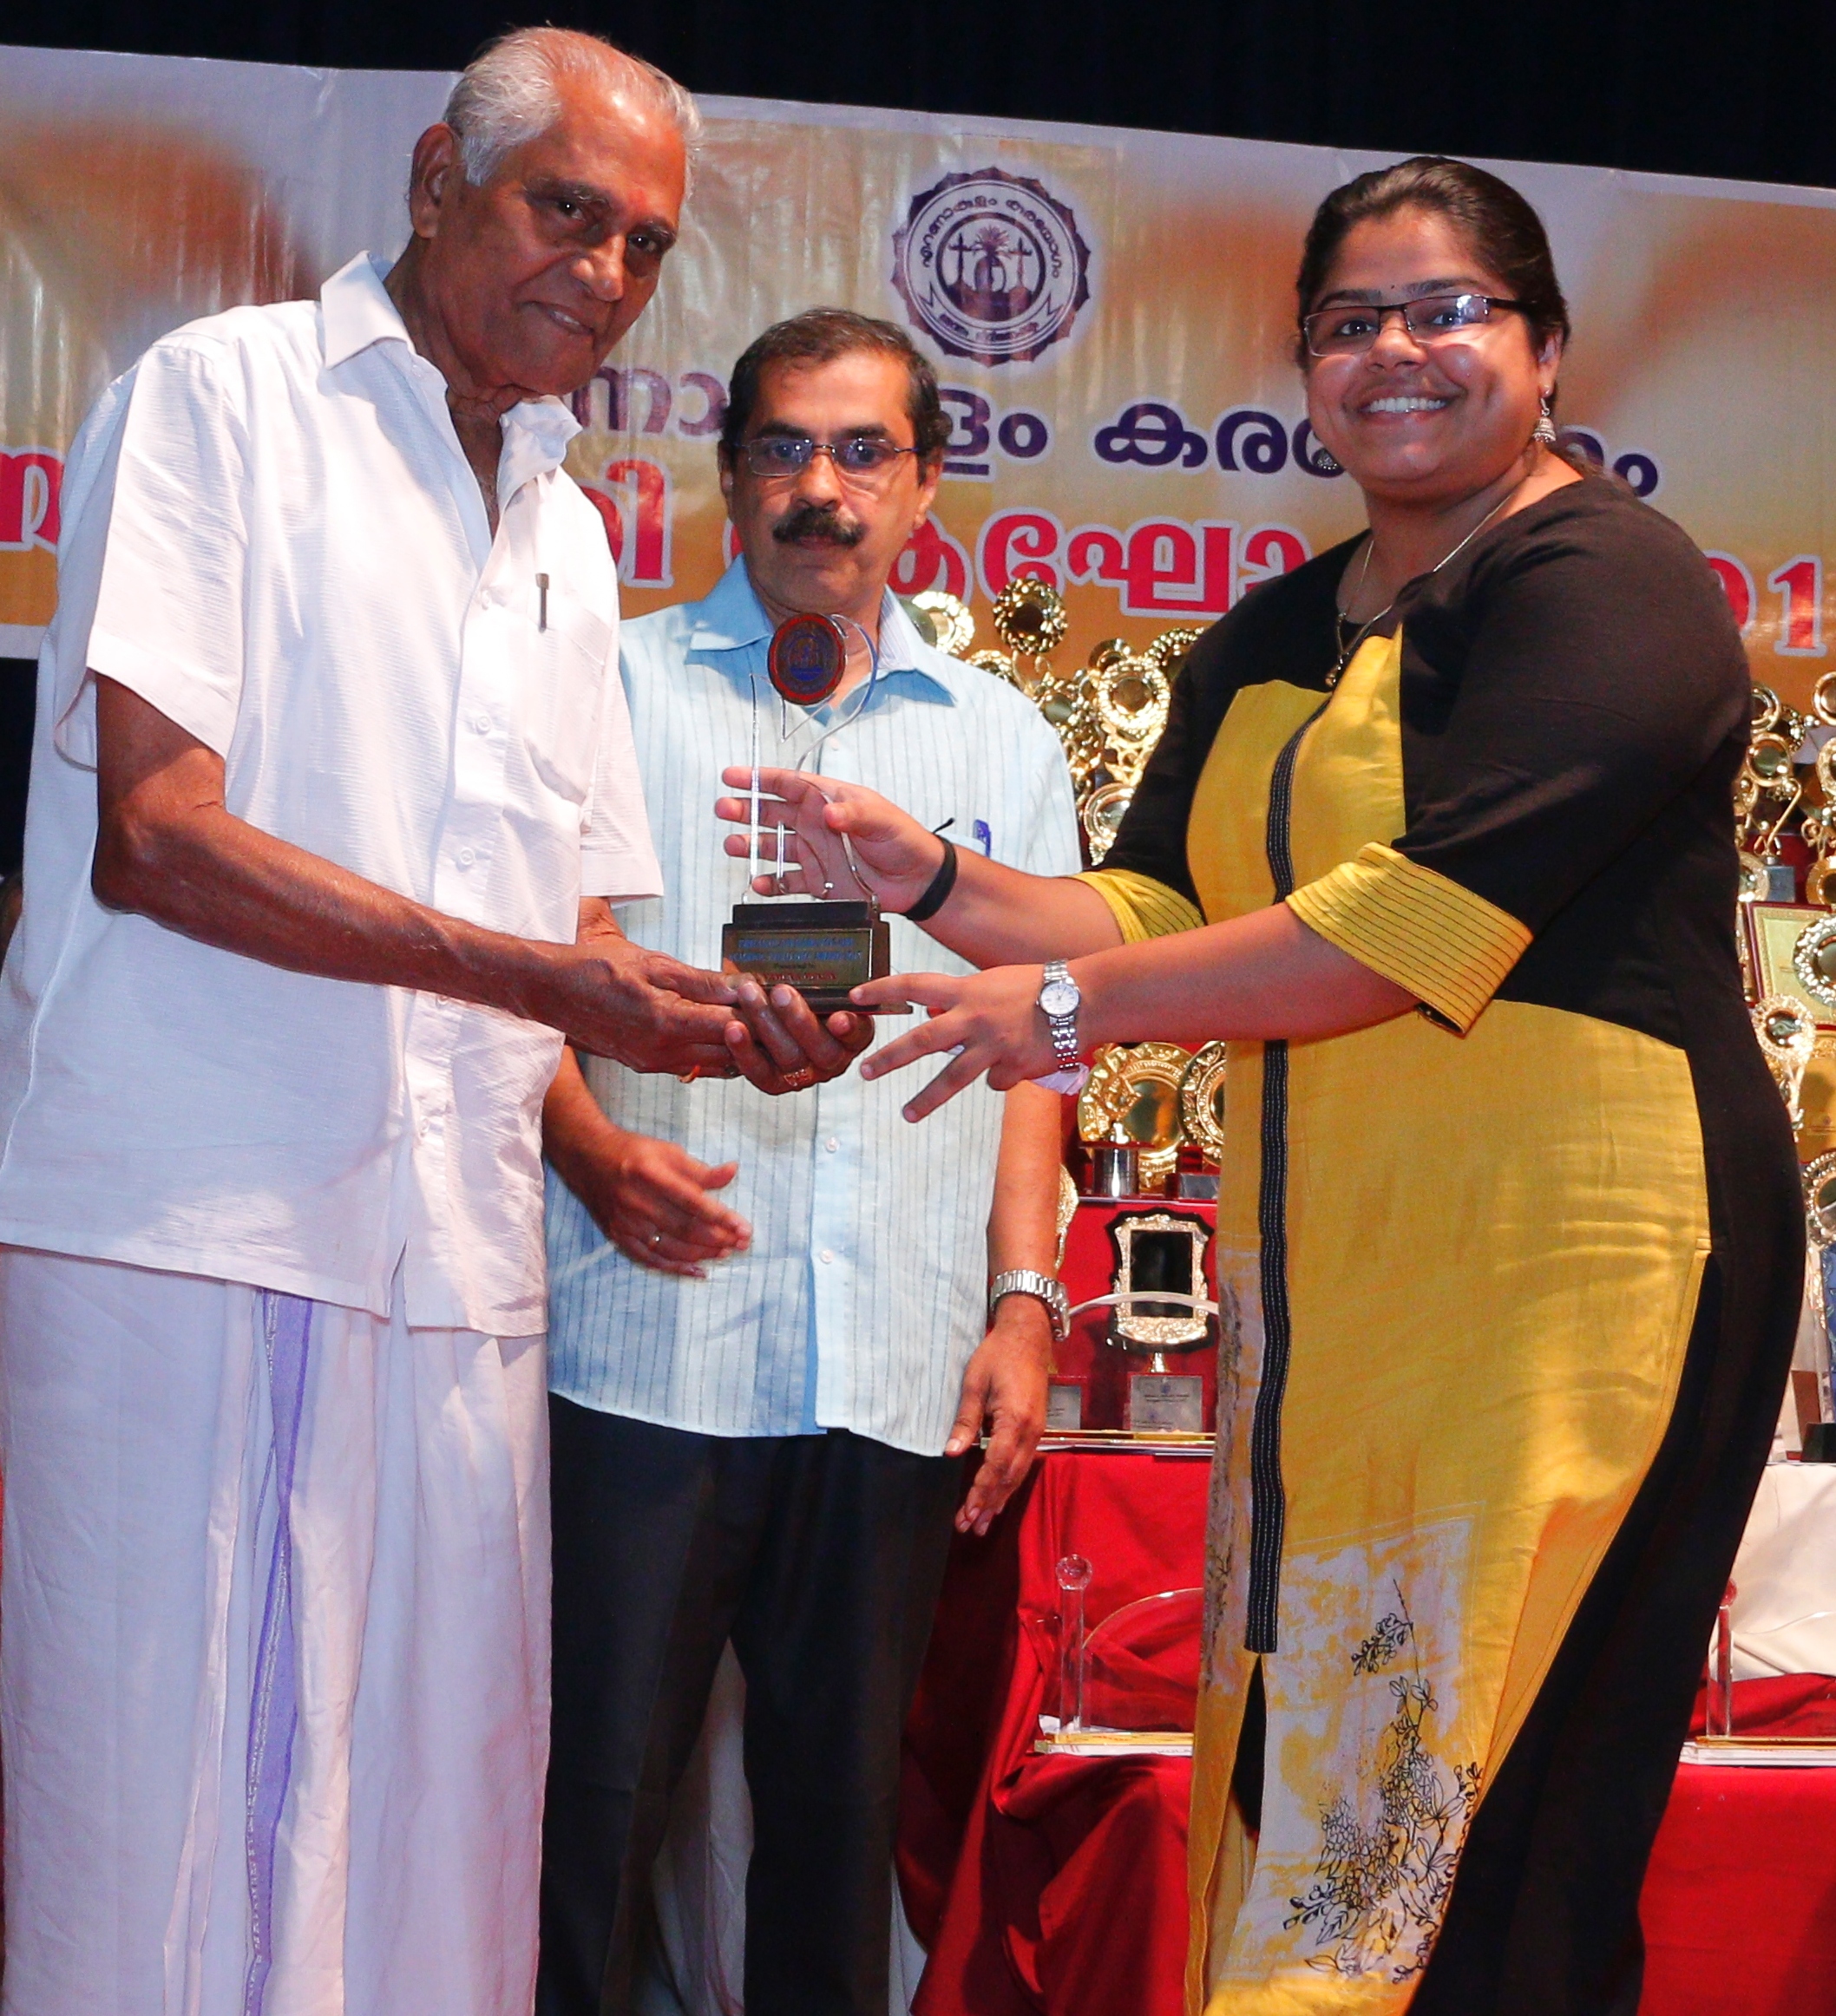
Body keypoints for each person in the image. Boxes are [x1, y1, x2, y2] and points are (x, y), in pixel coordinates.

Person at [724, 160, 1802, 2015]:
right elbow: (1156, 905)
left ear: (1547, 346)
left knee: (1506, 1828)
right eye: (1348, 321)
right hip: (1348, 1300)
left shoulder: (1607, 585)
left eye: (1446, 310)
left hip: (1581, 1278)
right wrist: (931, 879)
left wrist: (1060, 1008)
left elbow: (1408, 924)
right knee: (1317, 1767)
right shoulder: (1275, 628)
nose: (1395, 352)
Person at [0, 30, 859, 2016]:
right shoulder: (224, 401)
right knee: (164, 1832)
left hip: (457, 1262)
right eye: (567, 210)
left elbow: (564, 916)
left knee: (430, 1828)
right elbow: (158, 834)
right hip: (193, 1217)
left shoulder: (565, 529)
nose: (605, 271)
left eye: (644, 244)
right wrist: (550, 981)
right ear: (431, 182)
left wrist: (645, 1082)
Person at [538, 308, 1081, 2016]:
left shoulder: (1000, 740)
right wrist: (589, 1145)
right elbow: (519, 969)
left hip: (889, 1359)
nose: (819, 488)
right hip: (643, 1347)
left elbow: (1042, 1049)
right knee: (586, 1825)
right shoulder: (611, 688)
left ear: (923, 485)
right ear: (727, 477)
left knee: (839, 1850)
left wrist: (1022, 1301)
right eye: (781, 448)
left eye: (861, 452)